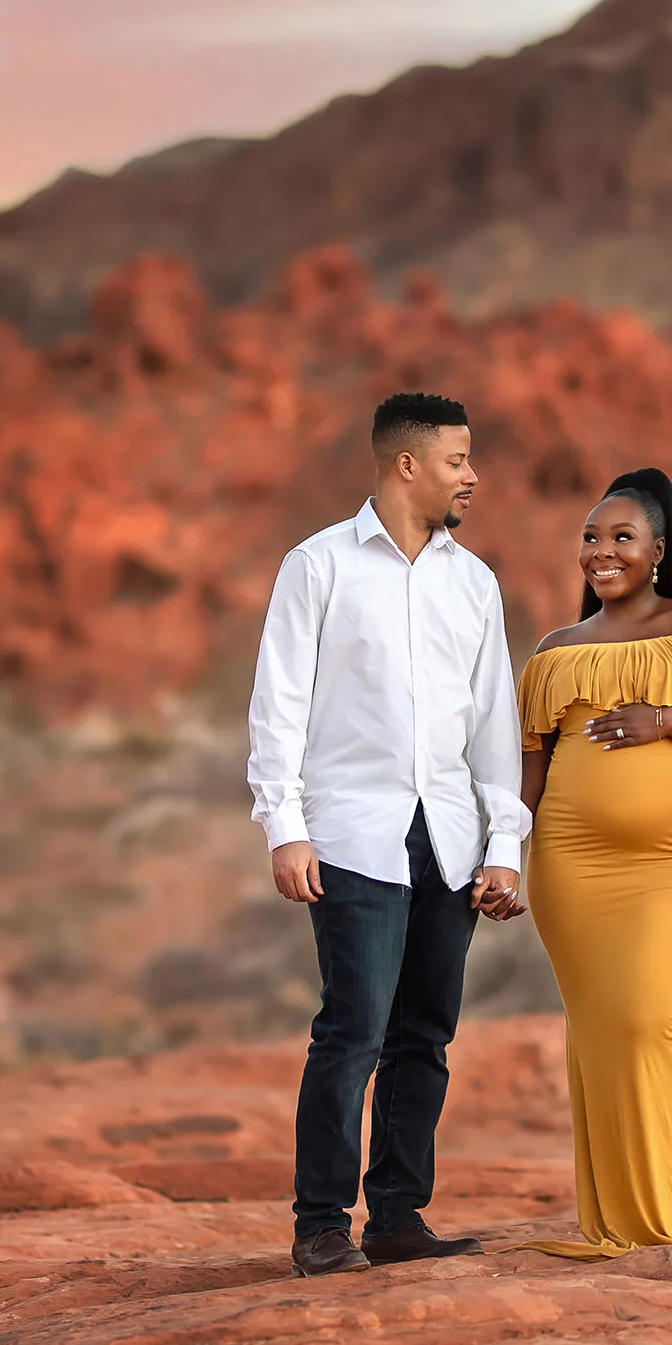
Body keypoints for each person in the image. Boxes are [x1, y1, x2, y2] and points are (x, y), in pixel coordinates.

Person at [248, 392, 531, 1279]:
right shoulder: (318, 565)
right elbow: (279, 703)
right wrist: (284, 827)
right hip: (353, 834)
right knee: (353, 1029)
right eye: (458, 461)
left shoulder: (474, 581)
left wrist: (503, 844)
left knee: (426, 1035)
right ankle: (322, 1223)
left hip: (446, 836)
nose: (472, 476)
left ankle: (400, 1216)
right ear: (407, 464)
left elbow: (493, 723)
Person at [514, 468, 672, 1258]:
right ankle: (619, 1219)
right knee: (597, 1031)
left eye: (621, 537)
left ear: (658, 549)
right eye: (590, 537)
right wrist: (500, 860)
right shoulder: (557, 650)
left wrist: (669, 719)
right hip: (570, 863)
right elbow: (529, 775)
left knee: (647, 1019)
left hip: (671, 861)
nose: (601, 552)